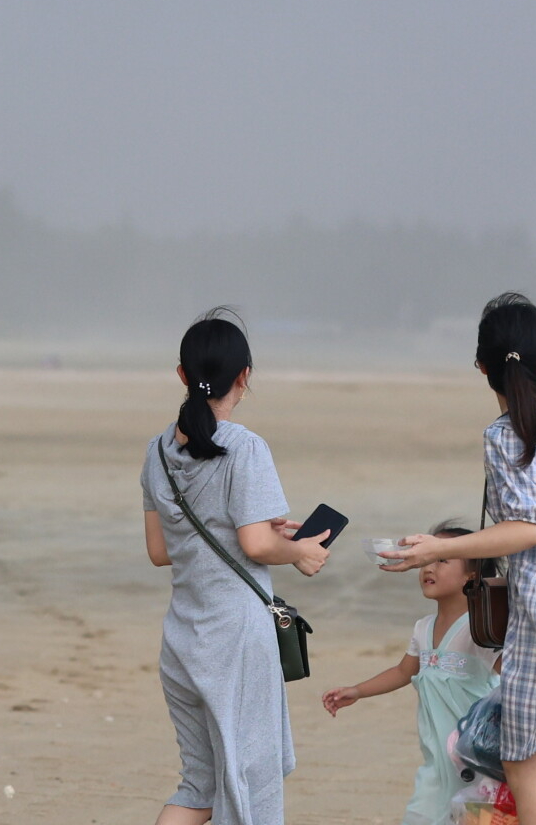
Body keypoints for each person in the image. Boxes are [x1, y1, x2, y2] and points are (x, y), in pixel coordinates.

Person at [382, 293, 536, 825]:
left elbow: (527, 529)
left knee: (529, 773)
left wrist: (440, 547)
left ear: (481, 367)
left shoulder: (504, 436)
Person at [141, 310, 331, 825]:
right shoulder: (245, 446)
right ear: (244, 377)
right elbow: (255, 544)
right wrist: (301, 550)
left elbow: (161, 551)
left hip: (182, 638)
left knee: (198, 785)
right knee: (252, 781)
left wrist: (269, 536)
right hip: (235, 638)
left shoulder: (157, 452)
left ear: (182, 374)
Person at [321, 522, 500, 825]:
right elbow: (404, 671)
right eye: (425, 559)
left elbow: (511, 673)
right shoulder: (423, 627)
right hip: (436, 764)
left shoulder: (481, 628)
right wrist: (357, 690)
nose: (428, 568)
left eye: (441, 560)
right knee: (420, 816)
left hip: (478, 763)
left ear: (472, 574)